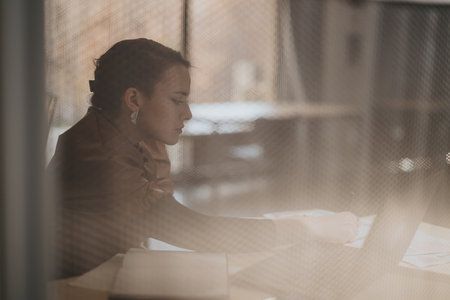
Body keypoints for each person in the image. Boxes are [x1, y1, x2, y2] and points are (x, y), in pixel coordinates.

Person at [48, 38, 359, 278]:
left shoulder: (120, 133)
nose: (188, 114)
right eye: (176, 101)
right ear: (133, 99)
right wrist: (307, 228)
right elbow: (194, 231)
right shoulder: (103, 157)